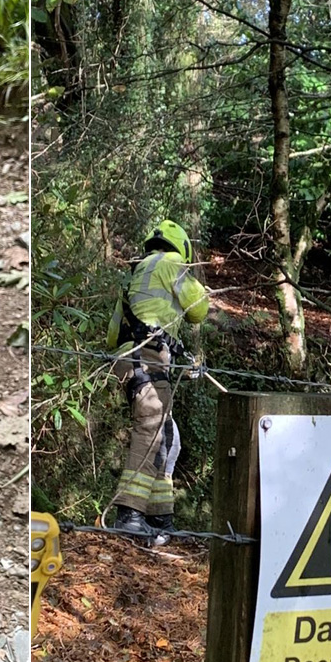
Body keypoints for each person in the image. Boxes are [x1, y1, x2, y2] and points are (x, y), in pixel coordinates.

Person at [105, 220, 209, 543]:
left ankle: (160, 517)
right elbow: (199, 309)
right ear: (181, 247)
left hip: (128, 360)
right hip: (148, 359)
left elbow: (111, 336)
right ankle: (129, 515)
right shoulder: (172, 263)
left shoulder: (134, 275)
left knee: (167, 436)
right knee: (151, 427)